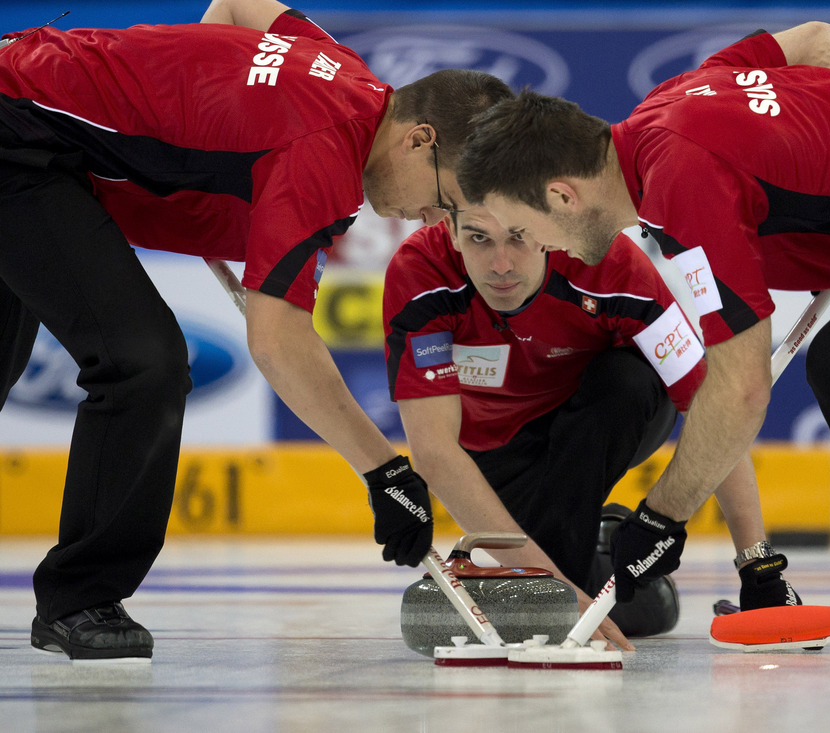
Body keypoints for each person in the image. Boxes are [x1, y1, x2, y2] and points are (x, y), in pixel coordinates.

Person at [456, 20, 830, 666]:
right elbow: (814, 39)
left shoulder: (679, 180)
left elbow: (742, 386)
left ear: (561, 194)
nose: (542, 250)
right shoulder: (671, 102)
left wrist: (661, 518)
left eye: (528, 229)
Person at [0, 0, 511, 661]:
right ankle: (80, 597)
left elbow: (240, 4)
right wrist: (385, 471)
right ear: (419, 140)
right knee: (144, 362)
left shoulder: (346, 75)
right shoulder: (324, 153)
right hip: (19, 139)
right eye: (443, 201)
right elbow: (276, 341)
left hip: (31, 112)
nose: (423, 220)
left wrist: (187, 91)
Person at [383, 207, 806, 648]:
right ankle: (609, 551)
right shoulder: (421, 273)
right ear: (448, 229)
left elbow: (715, 411)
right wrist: (562, 592)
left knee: (625, 381)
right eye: (479, 239)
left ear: (546, 229)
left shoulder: (609, 261)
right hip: (497, 452)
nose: (501, 265)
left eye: (518, 238)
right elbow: (434, 451)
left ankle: (587, 552)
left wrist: (758, 568)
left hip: (607, 415)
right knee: (569, 594)